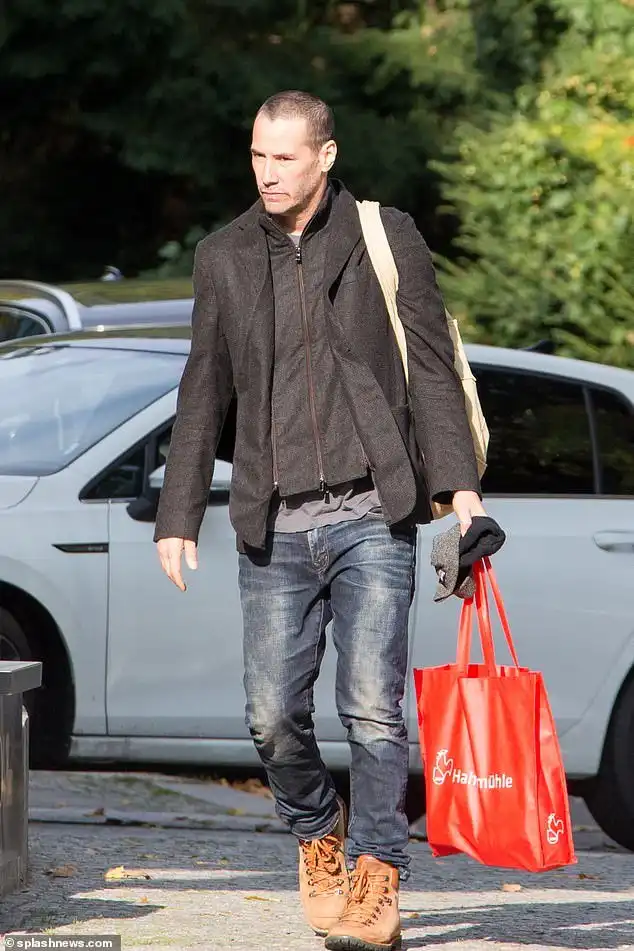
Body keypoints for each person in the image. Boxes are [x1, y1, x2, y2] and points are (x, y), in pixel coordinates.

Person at [154, 90, 486, 951]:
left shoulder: (384, 236)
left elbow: (432, 370)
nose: (267, 173)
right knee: (271, 714)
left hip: (375, 510)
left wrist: (461, 492)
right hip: (274, 519)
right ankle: (317, 831)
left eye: (284, 157)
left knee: (373, 708)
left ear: (325, 156)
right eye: (257, 156)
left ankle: (378, 873)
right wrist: (177, 513)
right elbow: (203, 387)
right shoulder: (223, 255)